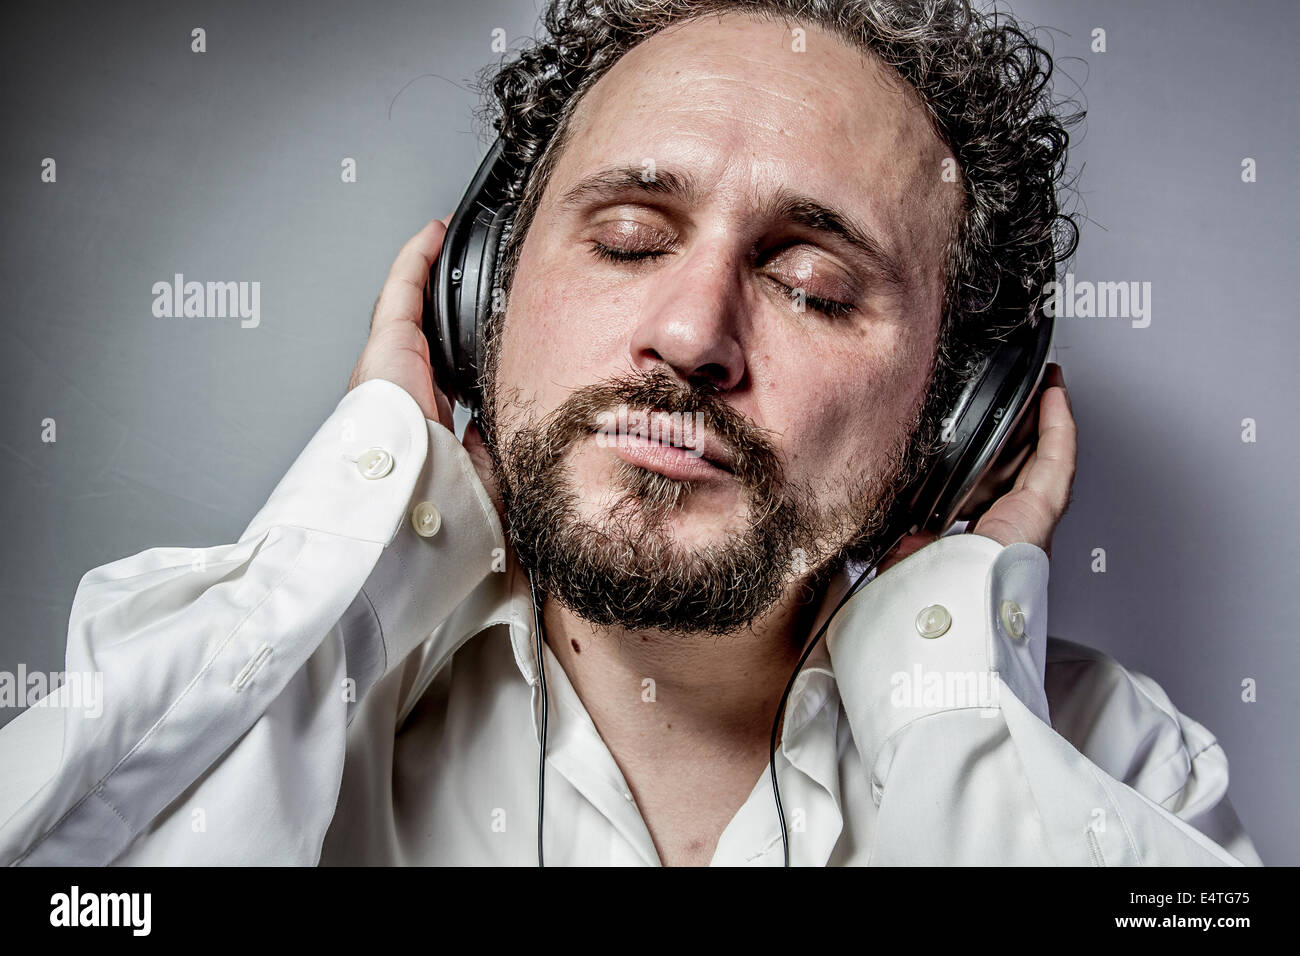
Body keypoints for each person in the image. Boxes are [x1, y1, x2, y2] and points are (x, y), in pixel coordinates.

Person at [0, 0, 1261, 866]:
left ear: (958, 412)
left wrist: (947, 701)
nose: (690, 330)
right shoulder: (257, 667)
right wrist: (356, 528)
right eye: (628, 239)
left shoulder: (1110, 762)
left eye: (812, 284)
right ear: (479, 298)